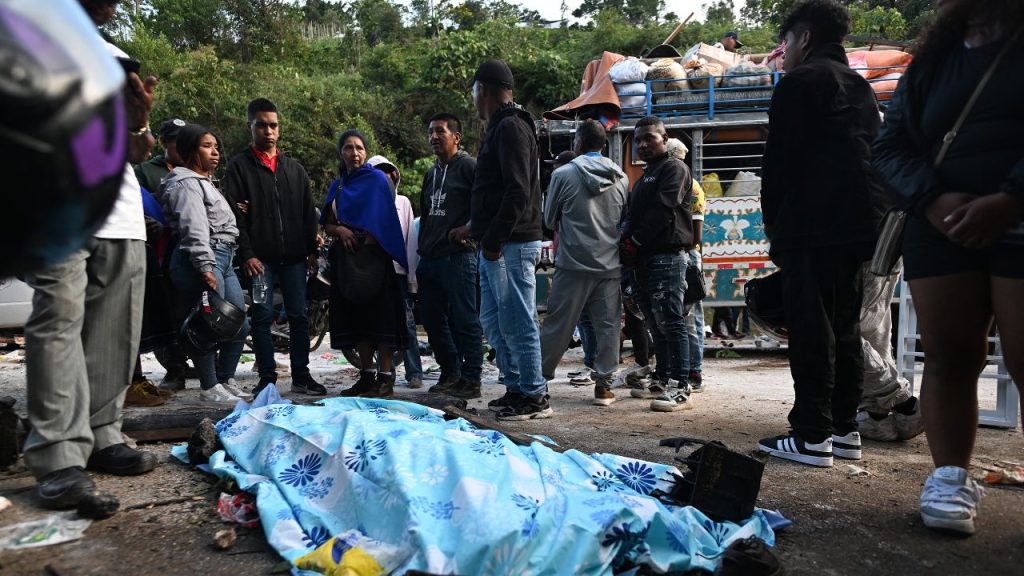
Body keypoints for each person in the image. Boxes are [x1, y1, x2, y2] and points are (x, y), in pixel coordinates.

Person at [872, 0, 1024, 535]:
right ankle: (950, 477)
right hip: (941, 227)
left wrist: (1009, 199)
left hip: (1020, 221)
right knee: (948, 355)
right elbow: (889, 147)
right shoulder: (934, 59)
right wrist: (934, 201)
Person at [23, 0, 158, 511]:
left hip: (119, 211)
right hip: (55, 203)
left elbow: (137, 151)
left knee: (113, 327)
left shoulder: (116, 56)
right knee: (58, 317)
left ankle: (104, 434)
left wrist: (138, 125)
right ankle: (59, 457)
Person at [757, 0, 883, 468]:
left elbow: (780, 162)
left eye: (785, 42)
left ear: (804, 38)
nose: (782, 52)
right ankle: (845, 429)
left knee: (812, 328)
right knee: (845, 327)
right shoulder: (861, 87)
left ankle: (812, 435)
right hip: (858, 227)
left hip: (810, 225)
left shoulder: (800, 82)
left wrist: (775, 225)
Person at [463, 59, 550, 421]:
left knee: (517, 319)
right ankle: (515, 386)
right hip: (497, 243)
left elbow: (517, 191)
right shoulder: (502, 126)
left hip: (510, 243)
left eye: (473, 91)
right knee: (494, 320)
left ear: (482, 89)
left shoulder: (511, 127)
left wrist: (495, 239)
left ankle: (534, 395)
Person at [223, 98, 325, 397]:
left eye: (273, 125)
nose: (269, 131)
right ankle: (267, 378)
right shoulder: (239, 168)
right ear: (250, 127)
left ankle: (301, 376)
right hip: (260, 262)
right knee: (263, 315)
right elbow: (234, 216)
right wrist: (248, 254)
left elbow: (309, 213)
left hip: (295, 259)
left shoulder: (294, 169)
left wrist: (311, 251)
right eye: (262, 125)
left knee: (299, 316)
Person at [540, 120, 628, 406]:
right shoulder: (622, 177)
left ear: (578, 143)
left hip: (572, 263)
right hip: (610, 264)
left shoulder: (563, 174)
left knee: (558, 325)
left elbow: (548, 218)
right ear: (603, 145)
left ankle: (538, 382)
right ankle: (603, 386)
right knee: (608, 326)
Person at [163, 124, 250, 403]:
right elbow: (194, 228)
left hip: (224, 256)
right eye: (207, 146)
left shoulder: (205, 182)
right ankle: (209, 387)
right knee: (208, 325)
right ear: (190, 150)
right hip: (204, 257)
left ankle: (225, 380)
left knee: (238, 323)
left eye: (215, 147)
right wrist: (205, 266)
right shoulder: (185, 183)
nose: (215, 152)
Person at [324, 130, 409, 398]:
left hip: (374, 259)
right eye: (348, 148)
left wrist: (371, 235)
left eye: (359, 148)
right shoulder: (337, 186)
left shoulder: (377, 180)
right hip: (347, 262)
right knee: (356, 320)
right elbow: (327, 223)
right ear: (341, 153)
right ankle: (366, 376)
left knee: (381, 319)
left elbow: (385, 219)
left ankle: (385, 378)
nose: (355, 153)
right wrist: (341, 232)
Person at [620, 116, 695, 412]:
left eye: (649, 138)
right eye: (638, 140)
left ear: (665, 138)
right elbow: (633, 214)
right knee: (655, 322)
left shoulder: (675, 168)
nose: (642, 144)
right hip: (643, 259)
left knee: (671, 321)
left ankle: (680, 385)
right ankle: (663, 377)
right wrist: (625, 242)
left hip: (666, 255)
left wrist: (632, 243)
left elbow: (664, 209)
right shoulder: (647, 174)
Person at [416, 113, 484, 398]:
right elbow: (427, 213)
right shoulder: (431, 173)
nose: (433, 137)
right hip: (430, 258)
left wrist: (468, 229)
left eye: (440, 131)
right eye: (431, 132)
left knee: (465, 318)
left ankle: (471, 378)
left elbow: (484, 204)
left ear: (456, 137)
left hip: (458, 256)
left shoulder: (469, 167)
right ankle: (450, 371)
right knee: (431, 319)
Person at [134, 117, 193, 393]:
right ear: (164, 142)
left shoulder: (196, 166)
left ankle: (197, 365)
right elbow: (134, 204)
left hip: (189, 249)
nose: (180, 146)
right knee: (166, 312)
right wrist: (149, 224)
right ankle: (174, 370)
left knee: (192, 309)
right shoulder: (145, 171)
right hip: (159, 252)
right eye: (174, 141)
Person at [365, 154, 423, 390]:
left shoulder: (403, 203)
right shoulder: (366, 203)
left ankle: (414, 372)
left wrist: (411, 278)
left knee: (406, 323)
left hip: (397, 272)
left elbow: (410, 240)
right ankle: (384, 374)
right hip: (373, 274)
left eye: (389, 171)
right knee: (376, 325)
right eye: (379, 172)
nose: (386, 176)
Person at [855, 264, 924, 442]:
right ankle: (874, 415)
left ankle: (904, 403)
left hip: (855, 250)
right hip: (883, 251)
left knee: (841, 332)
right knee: (873, 329)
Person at [667, 137, 707, 392]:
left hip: (688, 256)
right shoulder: (687, 184)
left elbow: (696, 235)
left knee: (690, 319)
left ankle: (695, 370)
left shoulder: (690, 188)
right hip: (685, 254)